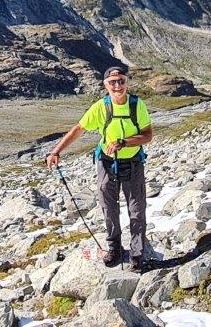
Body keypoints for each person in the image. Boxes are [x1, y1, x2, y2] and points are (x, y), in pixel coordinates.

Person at [46, 66, 154, 272]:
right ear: (105, 85)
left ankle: (137, 254)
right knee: (108, 206)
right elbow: (79, 129)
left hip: (133, 163)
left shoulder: (136, 105)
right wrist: (56, 151)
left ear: (126, 82)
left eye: (121, 81)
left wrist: (124, 142)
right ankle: (114, 248)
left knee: (137, 210)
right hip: (106, 162)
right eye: (112, 82)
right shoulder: (101, 107)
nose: (117, 85)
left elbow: (147, 135)